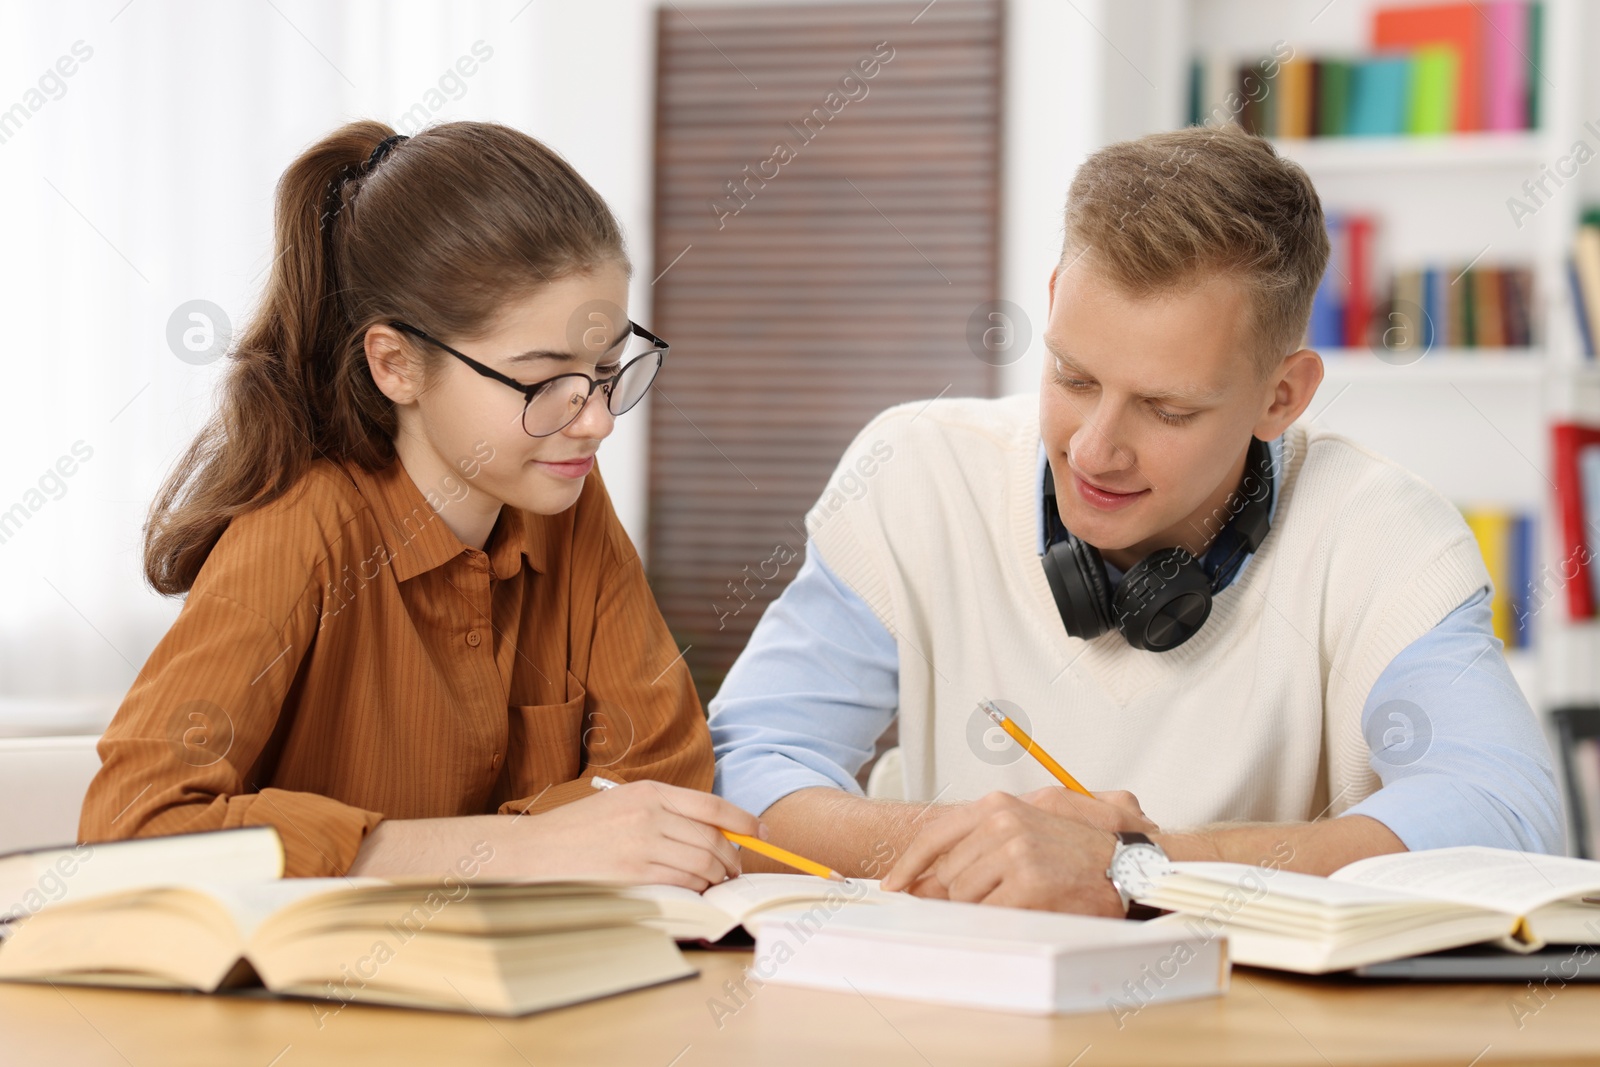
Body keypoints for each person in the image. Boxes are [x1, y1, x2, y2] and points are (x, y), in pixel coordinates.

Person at [708, 124, 1563, 915]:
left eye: (1166, 409)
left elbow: (1502, 811)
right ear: (1052, 301)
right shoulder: (916, 475)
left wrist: (1132, 865)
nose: (1094, 450)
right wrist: (986, 852)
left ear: (1282, 395)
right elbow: (747, 765)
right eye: (1074, 378)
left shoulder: (1382, 530)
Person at [79, 120, 758, 888]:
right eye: (543, 380)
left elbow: (661, 785)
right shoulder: (301, 526)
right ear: (396, 364)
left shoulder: (565, 494)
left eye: (607, 369)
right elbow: (131, 830)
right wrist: (516, 850)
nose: (595, 418)